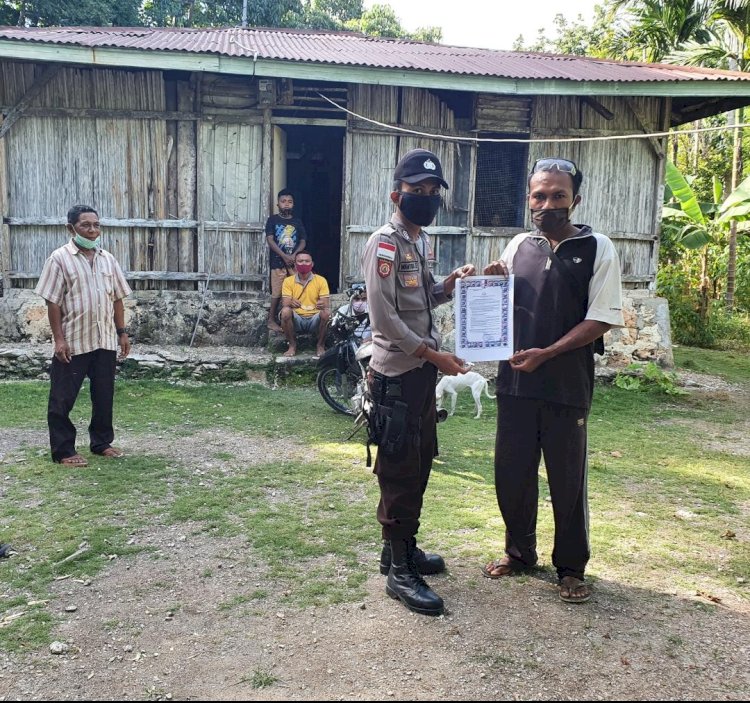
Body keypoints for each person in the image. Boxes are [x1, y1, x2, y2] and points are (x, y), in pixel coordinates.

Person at [482, 157, 624, 604]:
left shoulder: (597, 247)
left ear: (575, 199)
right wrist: (486, 285)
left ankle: (571, 568)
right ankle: (520, 553)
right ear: (529, 200)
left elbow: (601, 318)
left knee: (567, 479)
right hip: (515, 383)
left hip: (566, 385)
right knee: (512, 473)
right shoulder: (518, 245)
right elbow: (500, 304)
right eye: (539, 196)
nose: (548, 204)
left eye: (558, 196)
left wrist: (550, 352)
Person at [362, 148, 475, 616]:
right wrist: (433, 355)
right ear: (397, 195)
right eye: (417, 192)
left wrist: (449, 284)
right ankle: (399, 573)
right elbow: (385, 317)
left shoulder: (419, 243)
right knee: (400, 468)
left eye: (433, 192)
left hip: (421, 373)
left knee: (421, 459)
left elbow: (420, 299)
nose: (426, 199)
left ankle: (399, 549)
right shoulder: (385, 244)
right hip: (398, 374)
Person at [35, 205, 132, 467]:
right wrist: (59, 340)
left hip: (104, 341)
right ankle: (64, 451)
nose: (92, 230)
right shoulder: (59, 259)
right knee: (62, 398)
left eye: (96, 225)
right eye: (85, 225)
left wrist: (122, 333)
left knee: (104, 396)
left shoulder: (107, 259)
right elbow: (53, 302)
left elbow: (117, 300)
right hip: (74, 342)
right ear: (71, 228)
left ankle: (101, 443)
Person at [265, 189, 307, 332]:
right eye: (283, 201)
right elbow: (270, 240)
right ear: (278, 204)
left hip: (293, 263)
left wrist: (294, 255)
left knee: (297, 290)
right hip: (278, 263)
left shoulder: (297, 222)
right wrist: (284, 256)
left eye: (289, 202)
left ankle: (296, 319)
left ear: (293, 204)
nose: (286, 204)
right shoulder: (273, 220)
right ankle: (271, 320)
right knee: (277, 293)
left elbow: (303, 241)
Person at [280, 250, 330, 357]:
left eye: (307, 261)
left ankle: (320, 345)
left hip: (314, 318)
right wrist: (291, 302)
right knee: (285, 312)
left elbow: (326, 302)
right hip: (296, 318)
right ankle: (292, 345)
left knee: (326, 313)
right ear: (295, 264)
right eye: (300, 261)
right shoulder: (288, 281)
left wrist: (321, 303)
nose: (303, 264)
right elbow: (285, 302)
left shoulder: (321, 280)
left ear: (312, 264)